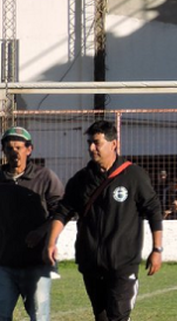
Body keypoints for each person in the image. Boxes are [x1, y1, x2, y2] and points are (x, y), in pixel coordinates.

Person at [45, 120, 163, 321]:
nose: (91, 148)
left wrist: (157, 249)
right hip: (91, 262)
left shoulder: (133, 176)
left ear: (114, 144)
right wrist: (51, 242)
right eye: (90, 142)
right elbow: (63, 211)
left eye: (97, 142)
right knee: (101, 317)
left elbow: (153, 210)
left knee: (117, 316)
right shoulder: (81, 180)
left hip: (122, 263)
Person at [1, 126, 63, 321]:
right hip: (4, 263)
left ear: (29, 149)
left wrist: (42, 231)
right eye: (9, 148)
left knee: (39, 316)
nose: (14, 153)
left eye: (18, 147)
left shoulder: (45, 177)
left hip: (37, 263)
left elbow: (62, 212)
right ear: (3, 150)